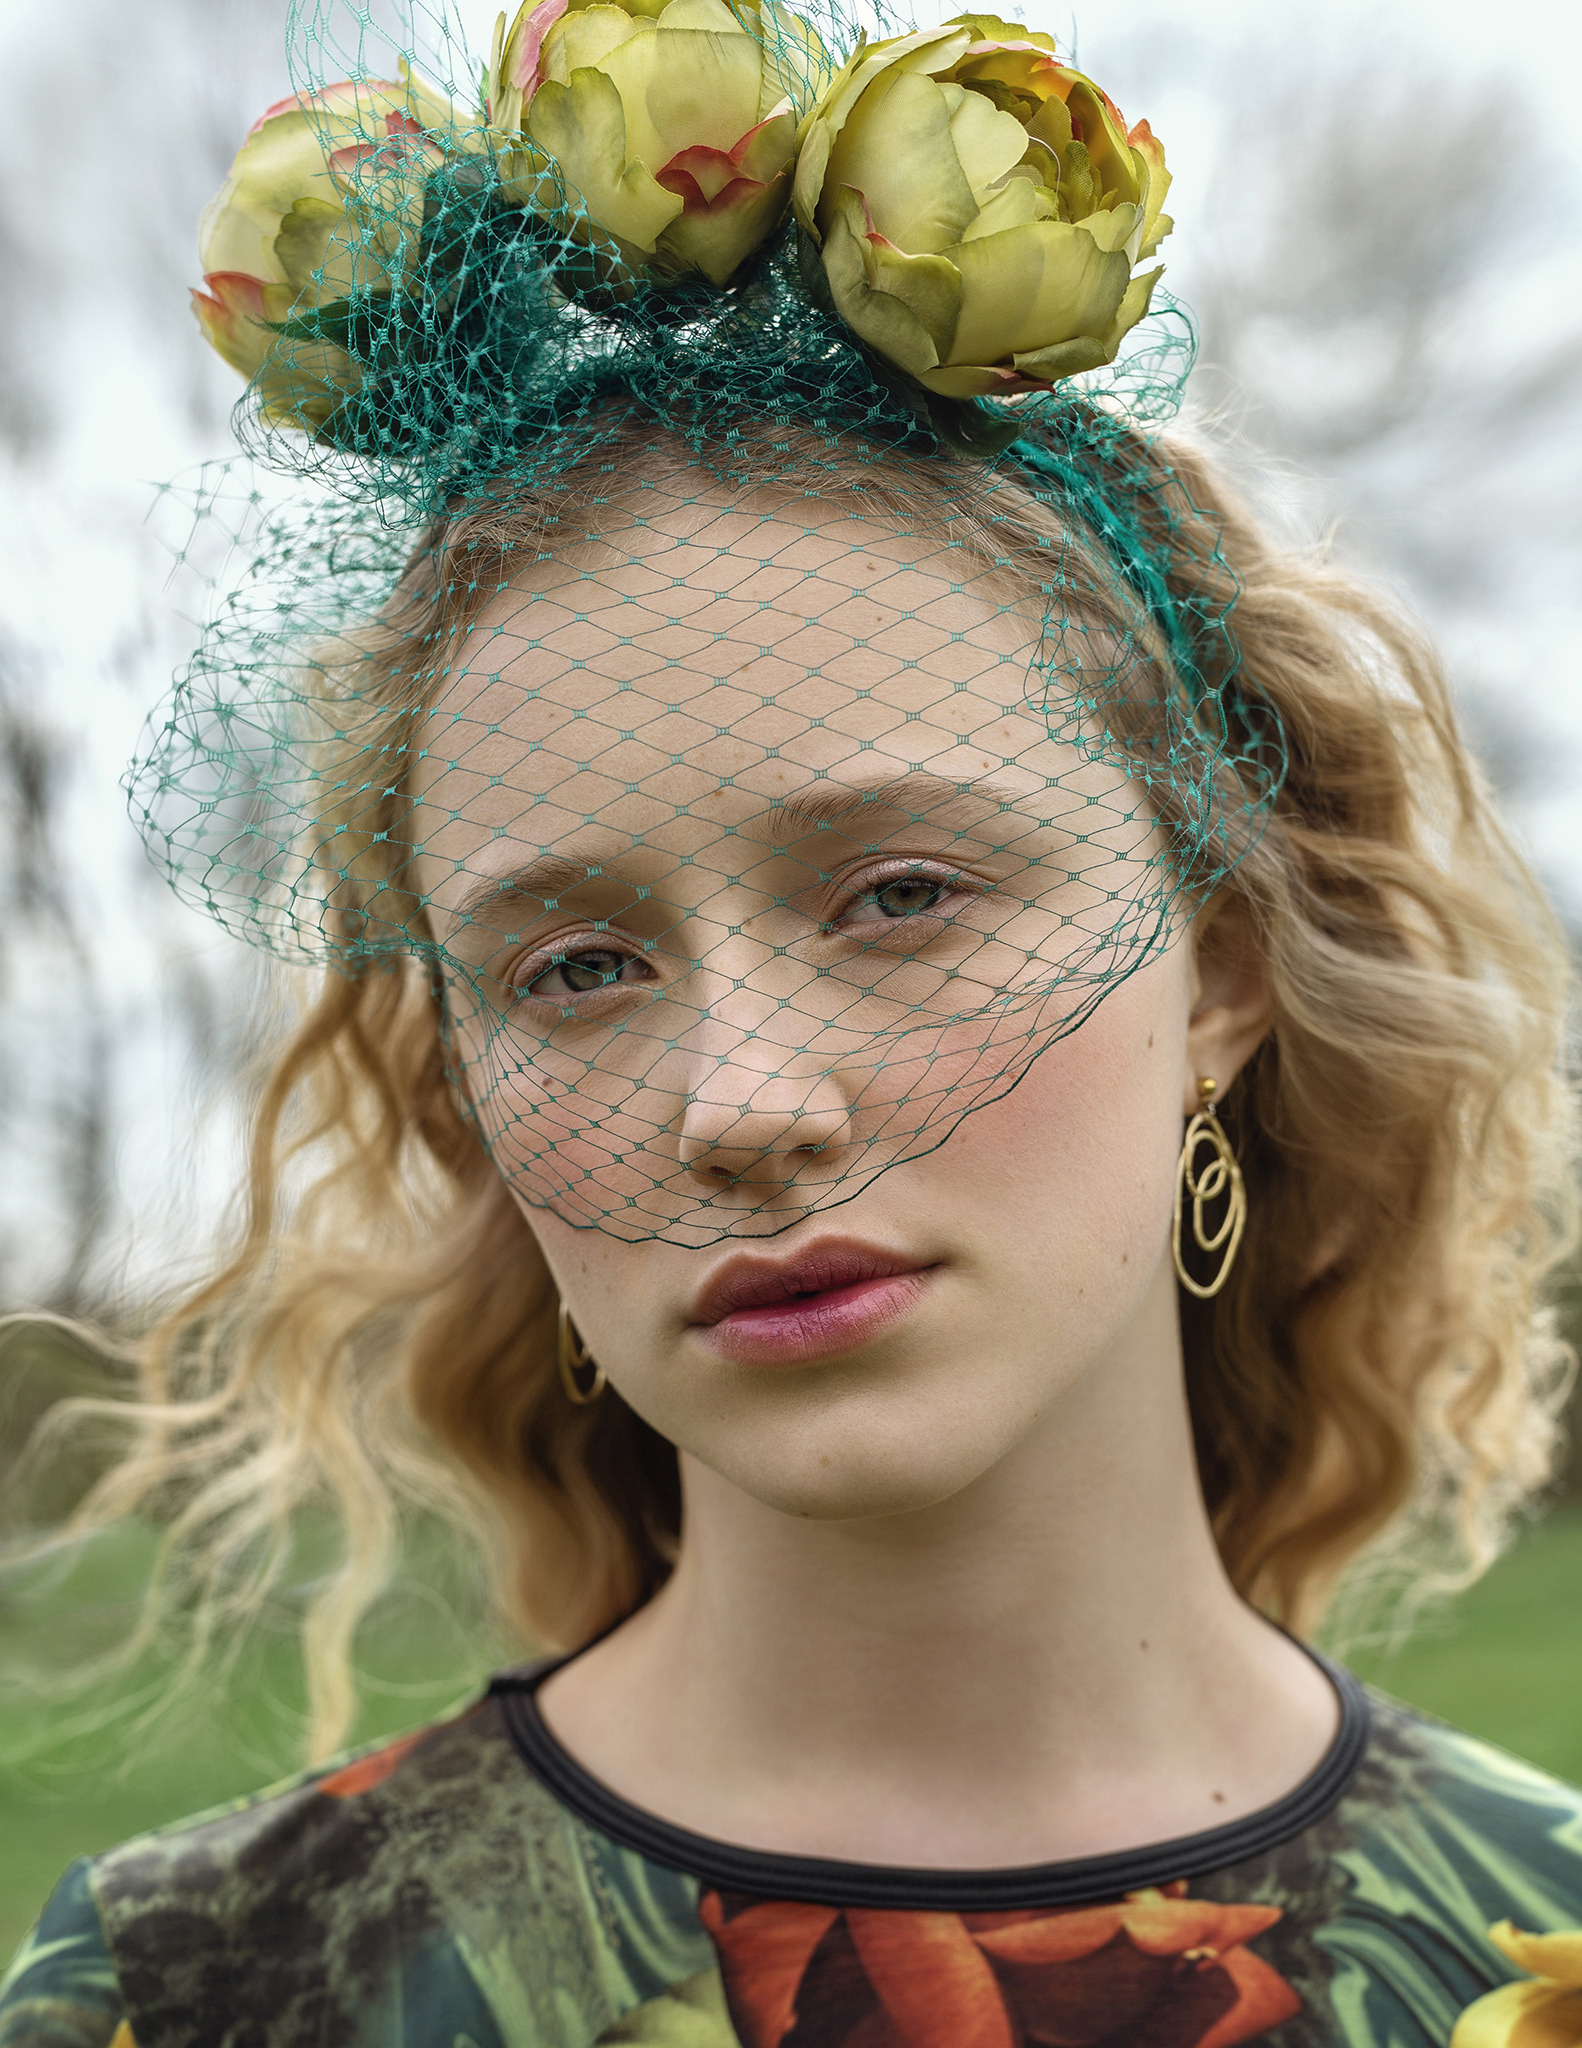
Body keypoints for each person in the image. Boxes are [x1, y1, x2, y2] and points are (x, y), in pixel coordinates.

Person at [2, 2, 1579, 2043]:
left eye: (900, 895)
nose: (740, 1106)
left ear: (1218, 969)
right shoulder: (201, 1992)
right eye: (575, 968)